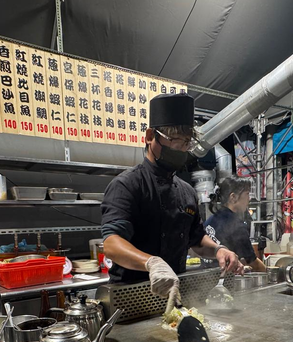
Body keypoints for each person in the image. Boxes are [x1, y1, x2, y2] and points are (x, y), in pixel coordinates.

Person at [101, 93, 242, 299]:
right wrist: (151, 263)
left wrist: (219, 250)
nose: (181, 149)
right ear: (150, 136)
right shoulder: (127, 185)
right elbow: (112, 244)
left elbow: (197, 240)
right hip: (132, 295)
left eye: (186, 143)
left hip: (176, 292)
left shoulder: (187, 192)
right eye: (175, 141)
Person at [205, 177, 267, 272]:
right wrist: (268, 274)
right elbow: (253, 262)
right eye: (247, 194)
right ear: (233, 197)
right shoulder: (237, 226)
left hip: (205, 276)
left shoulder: (212, 219)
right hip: (223, 278)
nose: (249, 199)